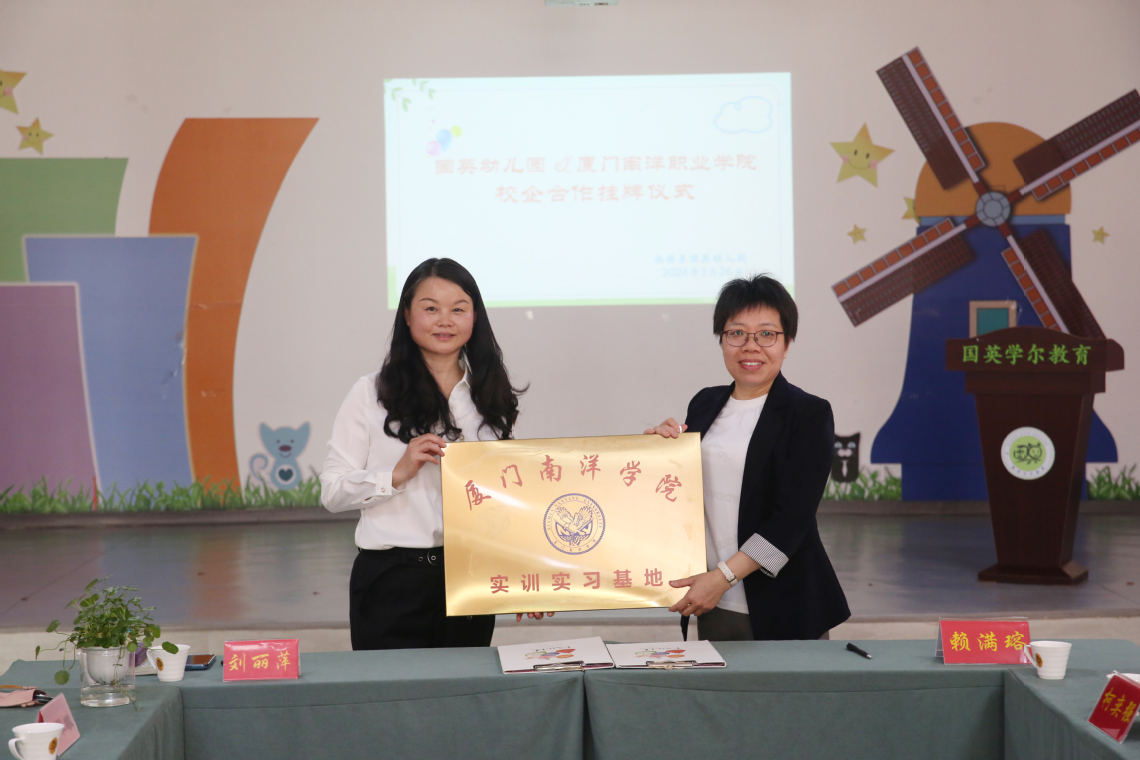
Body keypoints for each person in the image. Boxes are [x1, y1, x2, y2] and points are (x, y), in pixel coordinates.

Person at [321, 258, 550, 650]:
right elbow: (332, 492)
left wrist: (521, 571)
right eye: (431, 308)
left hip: (471, 577)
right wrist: (396, 473)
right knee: (394, 690)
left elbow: (505, 500)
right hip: (391, 581)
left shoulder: (490, 396)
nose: (445, 320)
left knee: (464, 688)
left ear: (475, 317)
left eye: (458, 309)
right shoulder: (370, 393)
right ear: (407, 316)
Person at [646, 275, 849, 641]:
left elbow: (792, 518)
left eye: (766, 334)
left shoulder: (808, 413)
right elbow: (684, 494)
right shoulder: (705, 402)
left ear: (787, 343)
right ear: (722, 340)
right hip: (714, 602)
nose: (750, 346)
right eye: (736, 333)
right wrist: (658, 453)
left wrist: (722, 578)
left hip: (785, 602)